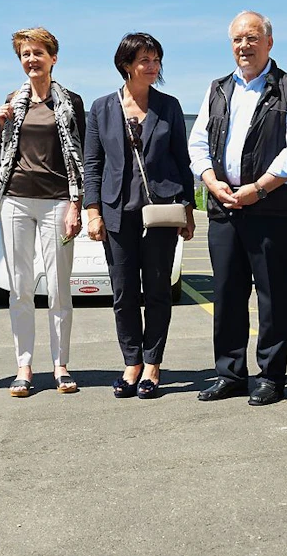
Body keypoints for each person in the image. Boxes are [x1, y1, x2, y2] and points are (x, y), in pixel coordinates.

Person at [188, 10, 287, 406]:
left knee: (273, 296)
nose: (244, 46)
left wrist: (258, 189)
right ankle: (229, 374)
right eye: (238, 39)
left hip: (270, 208)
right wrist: (212, 182)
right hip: (224, 208)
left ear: (269, 43)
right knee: (227, 294)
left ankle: (271, 376)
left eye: (252, 38)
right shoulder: (217, 89)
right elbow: (198, 143)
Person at [84, 33, 196, 399]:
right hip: (117, 213)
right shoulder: (102, 108)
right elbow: (92, 164)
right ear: (126, 65)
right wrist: (93, 211)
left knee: (159, 290)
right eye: (144, 60)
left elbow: (182, 160)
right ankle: (131, 362)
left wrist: (188, 210)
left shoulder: (169, 106)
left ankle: (152, 364)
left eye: (156, 59)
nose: (152, 66)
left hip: (161, 212)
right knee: (124, 293)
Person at [0, 27, 86, 397]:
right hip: (15, 200)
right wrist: (0, 124)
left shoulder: (71, 102)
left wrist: (77, 204)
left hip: (58, 201)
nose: (31, 60)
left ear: (53, 58)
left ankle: (61, 365)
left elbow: (81, 155)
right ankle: (24, 365)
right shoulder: (12, 101)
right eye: (25, 54)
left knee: (59, 288)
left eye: (38, 53)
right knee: (19, 287)